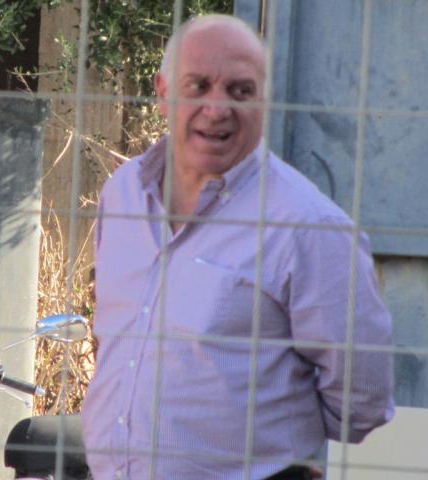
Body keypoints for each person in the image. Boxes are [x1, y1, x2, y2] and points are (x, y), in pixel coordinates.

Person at [80, 14, 394, 480]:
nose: (216, 108)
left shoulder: (310, 228)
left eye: (240, 91)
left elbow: (360, 400)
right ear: (162, 92)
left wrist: (275, 444)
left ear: (264, 101)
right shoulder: (123, 192)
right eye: (198, 85)